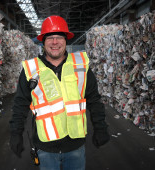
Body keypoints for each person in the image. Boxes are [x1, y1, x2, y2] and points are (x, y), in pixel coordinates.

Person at [9, 15, 110, 170]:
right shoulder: (31, 70)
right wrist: (16, 133)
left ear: (66, 40)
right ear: (43, 41)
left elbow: (94, 100)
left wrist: (100, 127)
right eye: (50, 37)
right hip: (45, 147)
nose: (55, 42)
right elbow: (20, 104)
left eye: (59, 37)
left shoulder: (81, 65)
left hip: (75, 145)